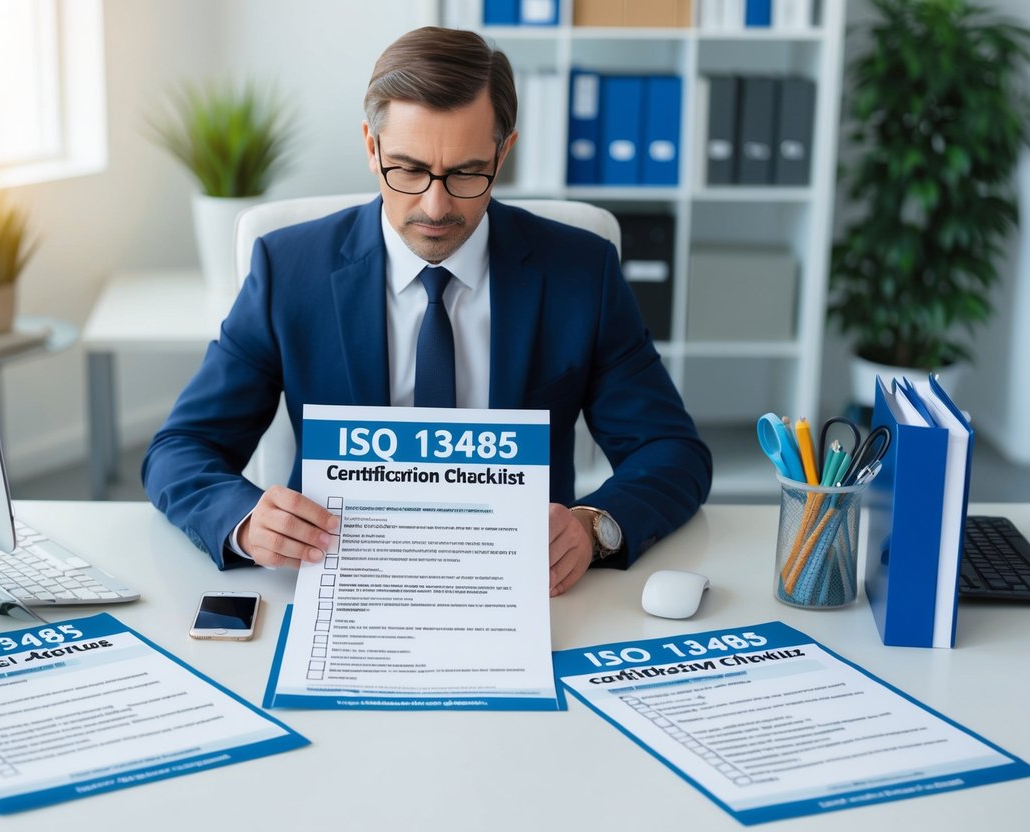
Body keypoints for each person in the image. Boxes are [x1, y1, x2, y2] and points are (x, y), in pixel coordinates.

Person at [143, 26, 712, 596]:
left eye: (466, 172)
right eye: (409, 170)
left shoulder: (581, 271)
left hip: (519, 587)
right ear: (371, 148)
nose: (435, 207)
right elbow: (182, 449)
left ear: (503, 152)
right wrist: (246, 523)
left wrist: (596, 528)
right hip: (339, 580)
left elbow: (672, 452)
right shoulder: (288, 271)